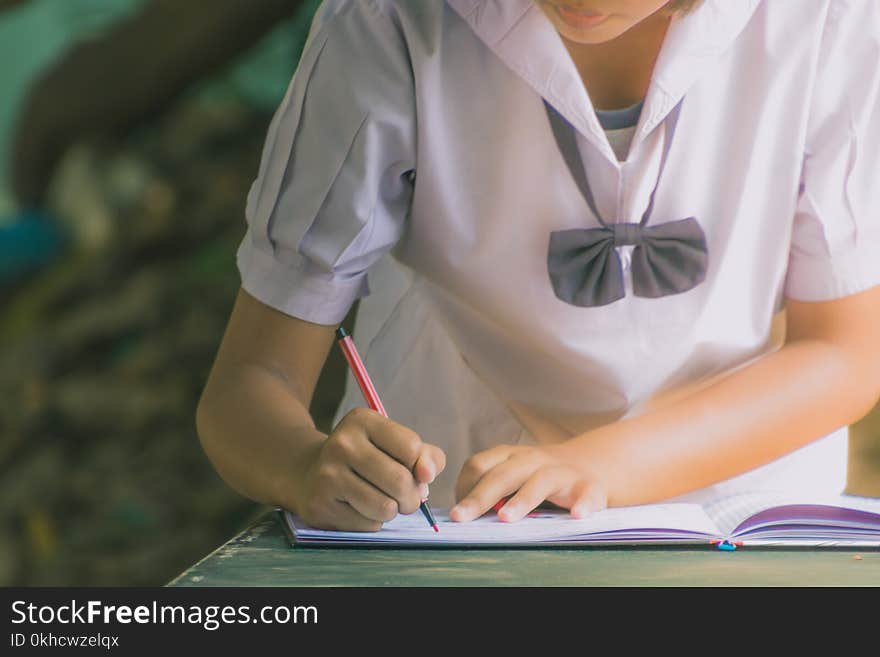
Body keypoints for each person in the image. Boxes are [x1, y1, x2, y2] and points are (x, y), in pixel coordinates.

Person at [196, 0, 880, 531]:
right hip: (454, 518)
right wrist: (303, 465)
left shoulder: (828, 19)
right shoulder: (392, 23)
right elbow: (246, 386)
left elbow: (848, 353)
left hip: (741, 514)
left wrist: (594, 467)